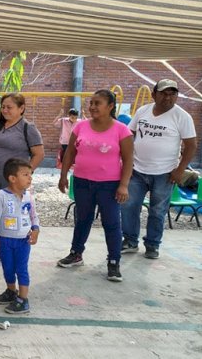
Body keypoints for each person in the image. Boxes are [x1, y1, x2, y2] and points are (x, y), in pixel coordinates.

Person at [57, 89, 133, 282]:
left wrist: (123, 185)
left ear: (110, 106)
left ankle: (114, 261)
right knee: (82, 219)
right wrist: (63, 175)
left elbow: (128, 160)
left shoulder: (121, 130)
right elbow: (70, 153)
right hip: (82, 182)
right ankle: (76, 253)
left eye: (97, 103)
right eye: (91, 103)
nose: (92, 107)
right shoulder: (80, 126)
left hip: (109, 185)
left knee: (111, 223)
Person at [120, 79, 197, 259]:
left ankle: (152, 245)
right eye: (163, 93)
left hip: (165, 173)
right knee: (129, 206)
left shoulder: (182, 116)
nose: (168, 97)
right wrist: (125, 160)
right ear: (154, 94)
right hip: (137, 170)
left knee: (157, 211)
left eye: (172, 94)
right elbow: (129, 135)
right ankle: (130, 241)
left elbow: (191, 145)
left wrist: (180, 170)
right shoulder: (143, 111)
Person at [0, 93, 44, 261]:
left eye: (9, 107)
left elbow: (39, 154)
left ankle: (4, 244)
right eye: (3, 107)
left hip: (13, 181)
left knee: (9, 211)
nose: (5, 110)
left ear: (21, 108)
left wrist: (25, 175)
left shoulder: (28, 128)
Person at [0, 158, 40, 314]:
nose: (30, 178)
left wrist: (36, 230)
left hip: (23, 241)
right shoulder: (1, 196)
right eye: (25, 175)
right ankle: (11, 291)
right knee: (8, 268)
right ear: (12, 178)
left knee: (21, 269)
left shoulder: (29, 196)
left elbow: (34, 215)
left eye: (30, 174)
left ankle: (23, 299)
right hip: (5, 240)